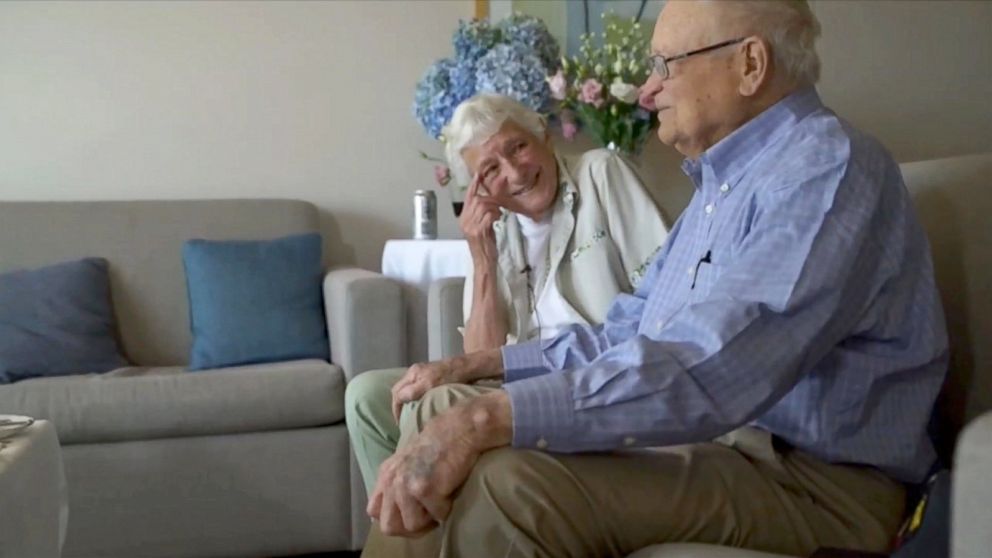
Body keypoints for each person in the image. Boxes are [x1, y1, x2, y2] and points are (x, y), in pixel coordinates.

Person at [362, 0, 950, 557]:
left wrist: (490, 416)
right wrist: (476, 369)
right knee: (443, 416)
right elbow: (626, 330)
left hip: (815, 482)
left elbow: (719, 363)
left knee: (504, 482)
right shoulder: (718, 190)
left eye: (665, 65)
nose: (647, 90)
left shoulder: (825, 169)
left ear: (750, 63)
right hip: (723, 444)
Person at [345, 93, 669, 495]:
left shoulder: (601, 173)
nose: (515, 173)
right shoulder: (494, 229)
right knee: (368, 397)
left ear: (544, 138)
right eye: (490, 169)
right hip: (513, 379)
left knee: (434, 405)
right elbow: (479, 358)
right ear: (476, 190)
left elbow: (668, 302)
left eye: (518, 147)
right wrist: (483, 259)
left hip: (591, 377)